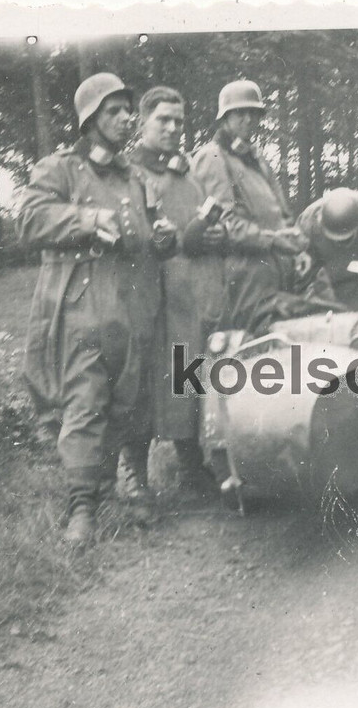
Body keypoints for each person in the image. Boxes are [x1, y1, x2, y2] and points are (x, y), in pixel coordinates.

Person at [18, 72, 177, 547]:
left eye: (129, 110)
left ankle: (135, 483)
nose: (127, 119)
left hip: (133, 309)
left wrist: (163, 238)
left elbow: (149, 236)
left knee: (134, 401)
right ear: (90, 119)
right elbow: (29, 219)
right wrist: (86, 219)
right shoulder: (60, 169)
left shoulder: (136, 177)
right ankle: (82, 506)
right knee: (85, 404)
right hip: (84, 308)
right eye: (115, 111)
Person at [129, 85, 225, 502]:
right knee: (142, 380)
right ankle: (132, 473)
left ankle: (189, 463)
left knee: (188, 375)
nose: (171, 128)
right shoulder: (132, 173)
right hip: (147, 293)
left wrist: (213, 234)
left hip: (188, 295)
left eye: (178, 121)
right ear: (142, 122)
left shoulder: (187, 178)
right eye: (162, 120)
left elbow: (197, 230)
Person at [191, 79, 330, 334]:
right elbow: (225, 224)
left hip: (278, 277)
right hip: (244, 283)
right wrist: (273, 240)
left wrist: (297, 248)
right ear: (225, 118)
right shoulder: (212, 157)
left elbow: (283, 215)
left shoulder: (258, 160)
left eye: (253, 113)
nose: (247, 120)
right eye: (239, 113)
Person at [296, 187, 358, 311]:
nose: (341, 243)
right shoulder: (308, 221)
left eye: (346, 239)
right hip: (331, 283)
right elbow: (301, 257)